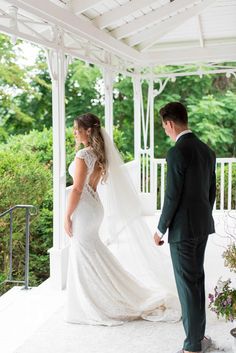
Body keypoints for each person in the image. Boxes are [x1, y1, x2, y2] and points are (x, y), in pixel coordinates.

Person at [64, 112, 179, 326]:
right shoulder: (99, 153)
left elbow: (78, 189)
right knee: (93, 253)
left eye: (77, 129)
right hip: (95, 207)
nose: (74, 133)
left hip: (84, 209)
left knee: (84, 253)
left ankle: (94, 302)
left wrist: (66, 215)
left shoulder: (82, 156)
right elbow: (91, 186)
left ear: (88, 131)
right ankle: (97, 296)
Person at [153, 102, 216, 353]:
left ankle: (192, 345)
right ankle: (198, 337)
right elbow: (211, 192)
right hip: (202, 226)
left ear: (169, 123)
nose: (166, 131)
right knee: (196, 281)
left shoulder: (176, 152)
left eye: (164, 127)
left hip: (182, 231)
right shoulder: (207, 151)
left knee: (187, 285)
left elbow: (172, 196)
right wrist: (202, 218)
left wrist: (160, 229)